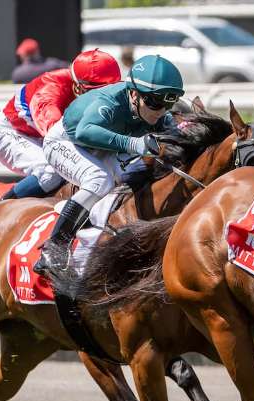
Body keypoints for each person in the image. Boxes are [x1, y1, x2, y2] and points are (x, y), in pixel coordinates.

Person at [34, 54, 185, 275]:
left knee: (137, 174)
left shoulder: (159, 114)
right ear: (133, 93)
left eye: (168, 102)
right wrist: (133, 143)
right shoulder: (110, 101)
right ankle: (55, 246)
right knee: (99, 179)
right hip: (67, 142)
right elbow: (85, 131)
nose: (160, 110)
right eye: (154, 102)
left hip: (103, 147)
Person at [0, 49, 121, 201]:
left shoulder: (91, 87)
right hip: (12, 132)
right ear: (77, 87)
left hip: (45, 134)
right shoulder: (49, 93)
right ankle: (2, 204)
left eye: (110, 90)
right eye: (95, 93)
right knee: (51, 171)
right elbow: (56, 140)